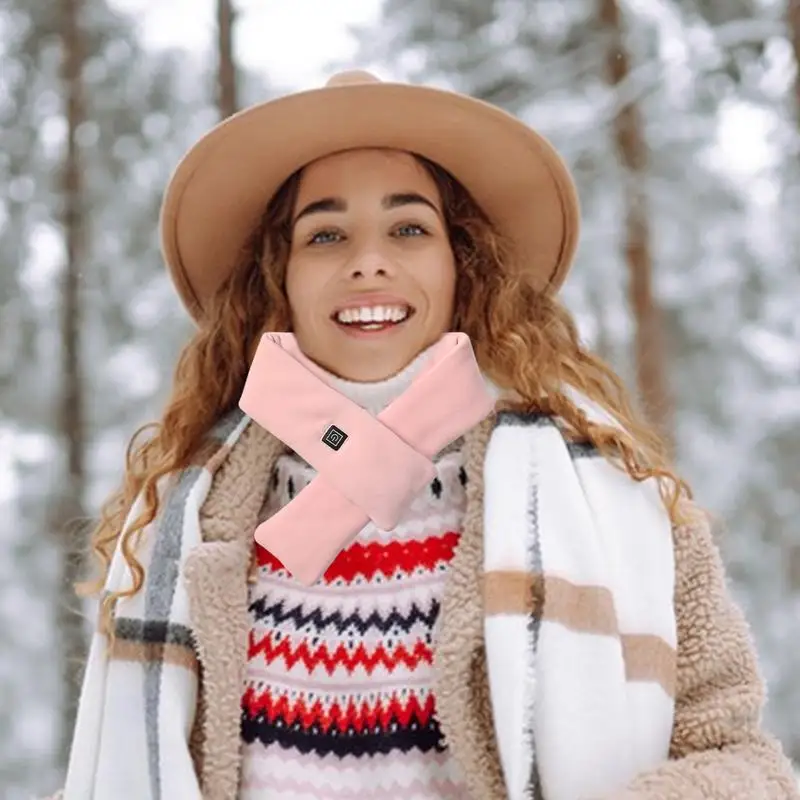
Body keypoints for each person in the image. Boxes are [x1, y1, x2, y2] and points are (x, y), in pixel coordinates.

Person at [52, 71, 797, 800]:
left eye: (409, 228)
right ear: (277, 278)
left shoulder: (613, 496)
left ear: (462, 265)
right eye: (326, 234)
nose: (368, 260)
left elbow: (739, 759)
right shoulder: (181, 523)